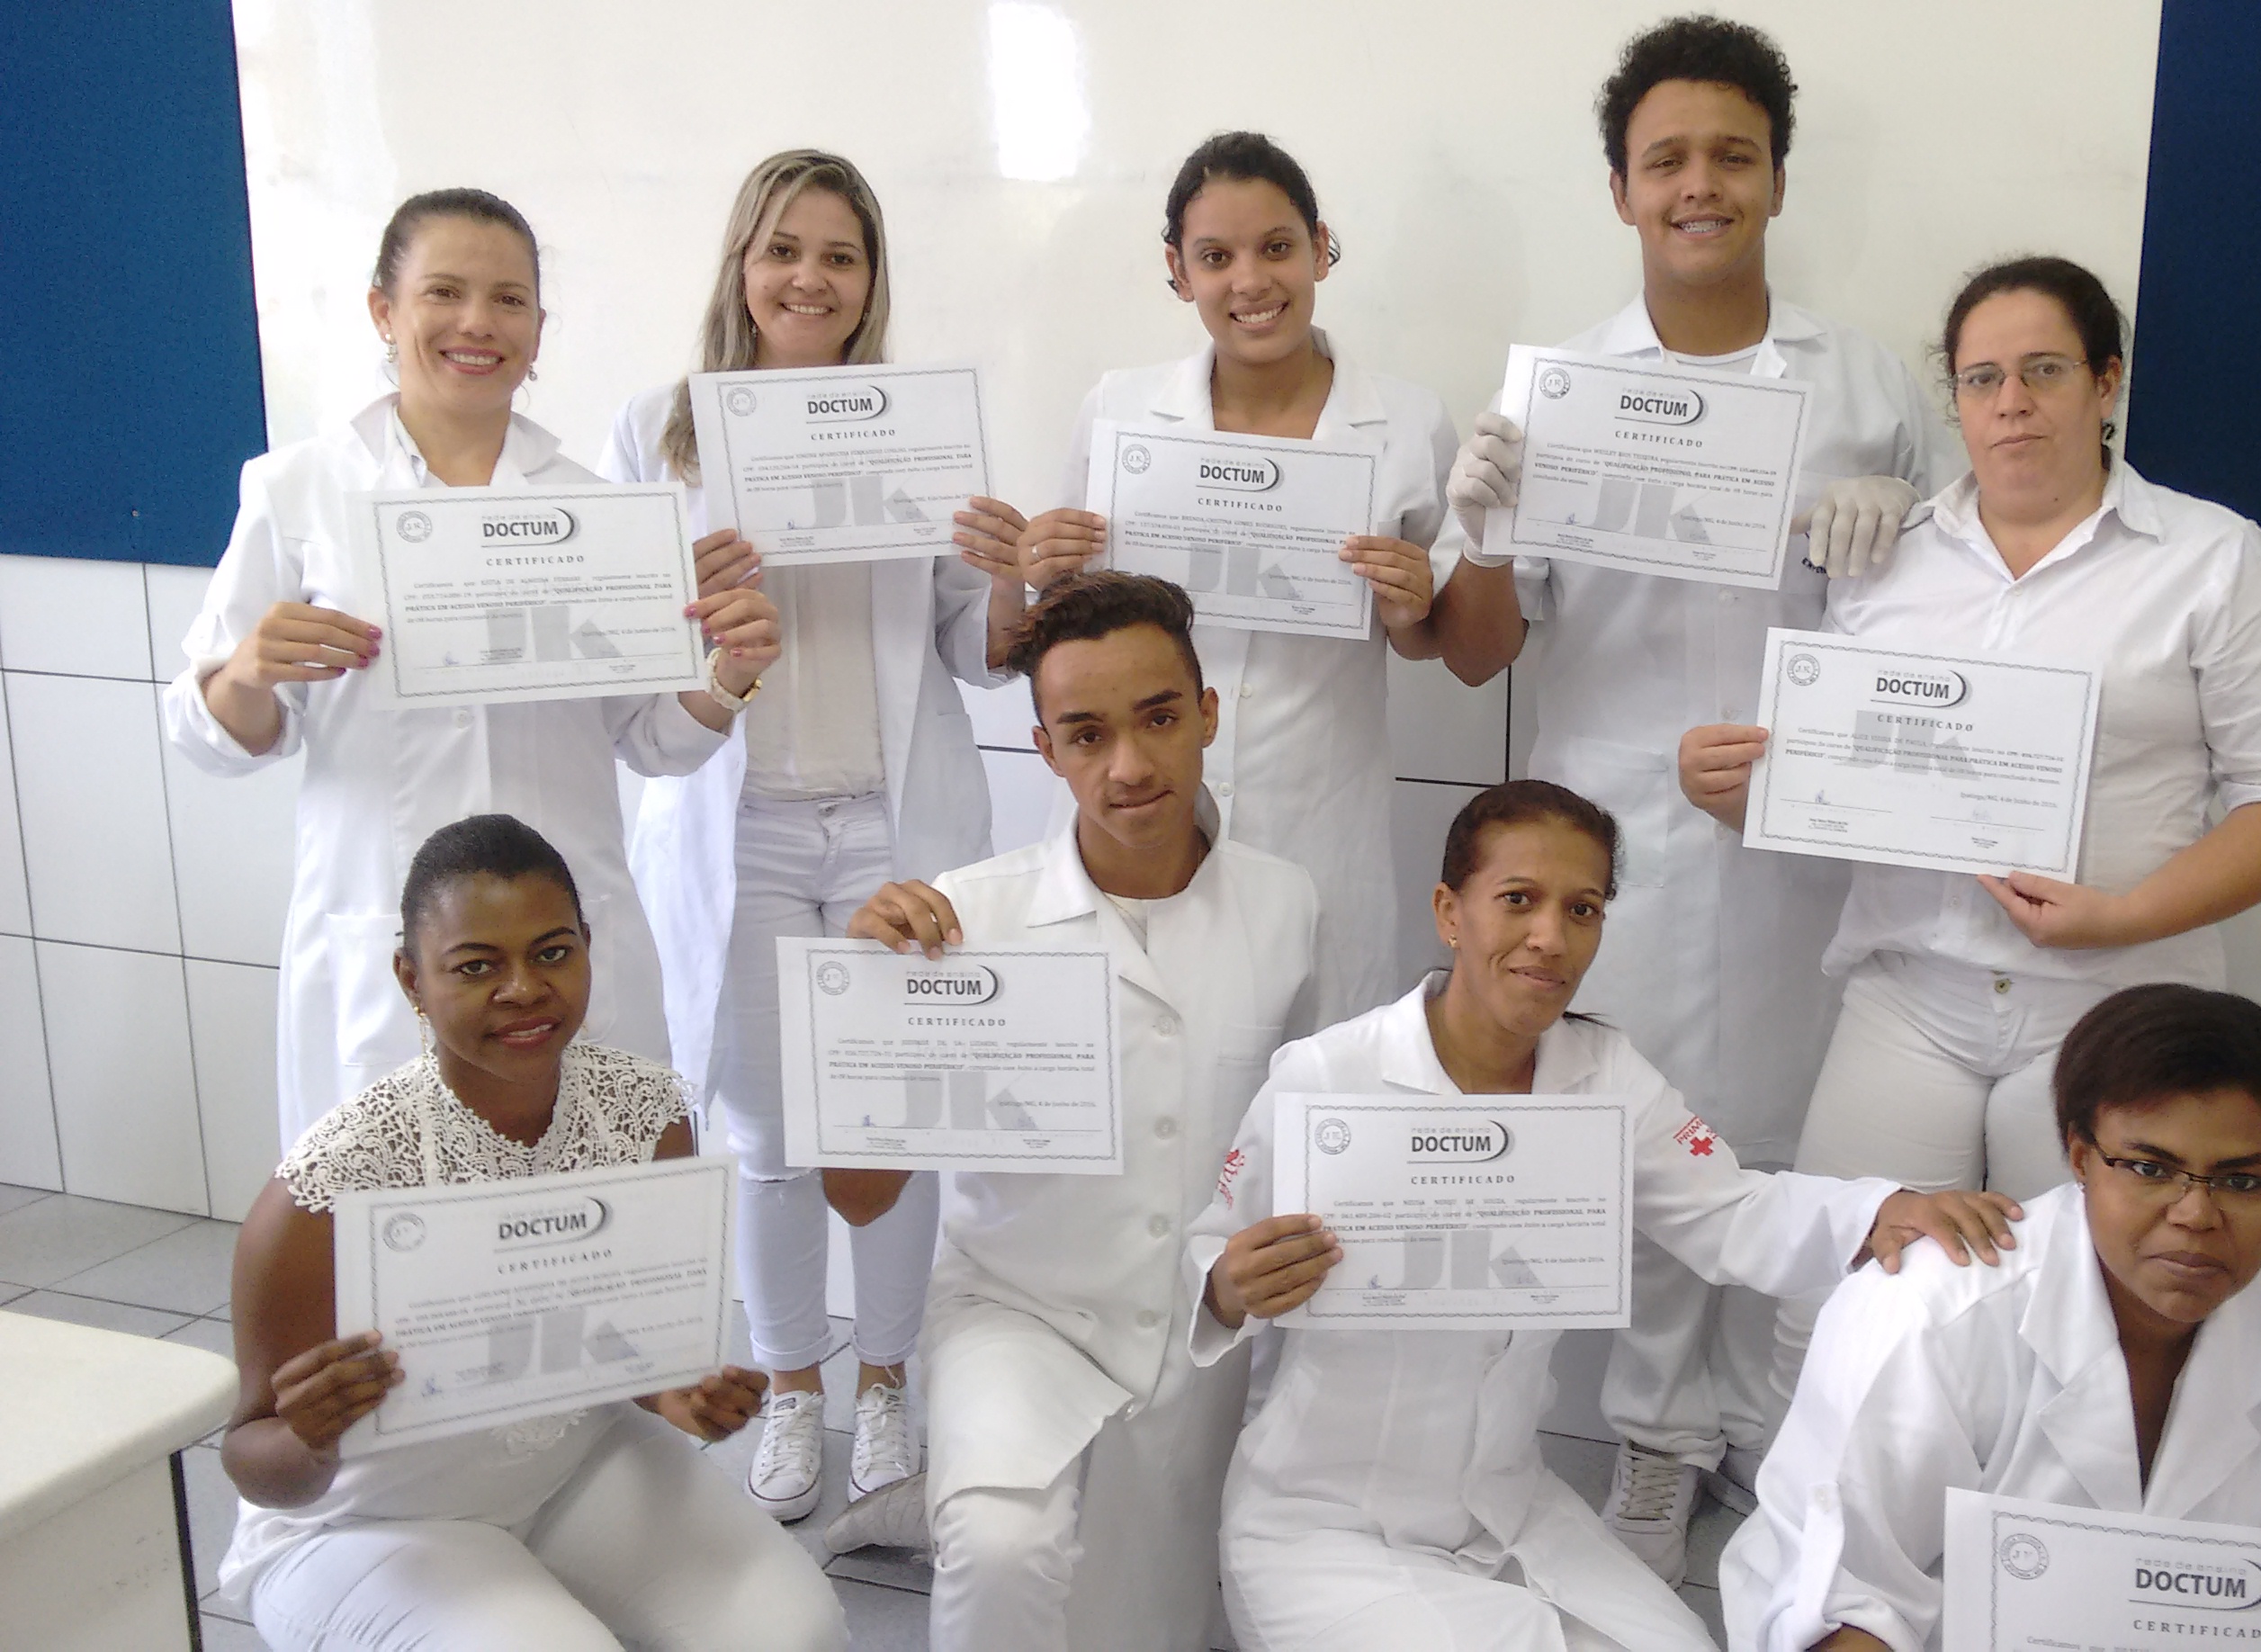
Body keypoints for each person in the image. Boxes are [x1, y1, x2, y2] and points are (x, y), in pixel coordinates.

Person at [1429, 14, 1967, 1570]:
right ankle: (1656, 1439)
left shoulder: (1864, 386)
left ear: (1776, 178)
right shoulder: (1556, 388)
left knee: (1791, 1141)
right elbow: (1477, 653)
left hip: (1806, 837)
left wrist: (1896, 527)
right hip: (1613, 838)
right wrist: (1478, 522)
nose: (1698, 184)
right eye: (1664, 158)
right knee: (1647, 1144)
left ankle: (1778, 1441)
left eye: (1730, 154)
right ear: (1618, 190)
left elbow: (1942, 637)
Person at [1674, 255, 2261, 1409]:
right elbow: (1840, 779)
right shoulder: (1888, 560)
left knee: (2086, 1323)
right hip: (1911, 996)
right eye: (1982, 379)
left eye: (2043, 371)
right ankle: (1824, 1575)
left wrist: (2123, 915)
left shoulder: (2211, 559)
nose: (2012, 402)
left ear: (2106, 382)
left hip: (2118, 1003)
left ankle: (2037, 1573)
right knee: (1842, 1308)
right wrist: (1738, 791)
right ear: (1957, 401)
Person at [1187, 779, 2020, 1652]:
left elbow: (1732, 1213)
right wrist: (1228, 1286)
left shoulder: (1604, 1076)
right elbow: (1209, 1257)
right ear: (1449, 911)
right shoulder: (1324, 1081)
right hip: (1325, 1529)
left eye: (1581, 909)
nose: (1550, 937)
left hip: (1510, 1507)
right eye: (1518, 900)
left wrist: (1879, 1210)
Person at [162, 188, 781, 1146]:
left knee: (594, 1233)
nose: (477, 324)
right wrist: (245, 674)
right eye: (443, 293)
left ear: (538, 329)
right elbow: (214, 739)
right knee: (394, 1245)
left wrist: (726, 675)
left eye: (509, 300)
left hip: (569, 938)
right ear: (385, 310)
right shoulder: (301, 491)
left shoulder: (592, 511)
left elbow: (649, 741)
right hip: (388, 940)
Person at [604, 148, 1029, 1522]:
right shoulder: (655, 433)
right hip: (745, 826)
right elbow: (619, 640)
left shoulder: (920, 428)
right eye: (784, 248)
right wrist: (684, 587)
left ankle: (890, 1380)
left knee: (892, 1119)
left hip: (892, 823)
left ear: (869, 284)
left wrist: (1012, 571)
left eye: (839, 256)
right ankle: (795, 1388)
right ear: (743, 266)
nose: (810, 277)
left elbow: (978, 652)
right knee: (772, 1130)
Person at [820, 570, 1318, 1652]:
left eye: (1159, 719)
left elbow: (1312, 1139)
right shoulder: (961, 920)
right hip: (1018, 1310)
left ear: (1208, 714)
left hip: (1196, 1325)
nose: (1130, 767)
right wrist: (865, 1021)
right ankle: (961, 1484)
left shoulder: (1288, 906)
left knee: (1148, 1626)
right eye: (1087, 735)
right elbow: (859, 1201)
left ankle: (942, 1494)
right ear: (1045, 751)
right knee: (1004, 1553)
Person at [217, 813, 848, 1651]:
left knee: (795, 1637)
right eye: (476, 967)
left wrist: (671, 1392)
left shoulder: (647, 1114)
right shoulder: (327, 1187)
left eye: (552, 952)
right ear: (411, 979)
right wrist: (308, 1434)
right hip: (367, 1522)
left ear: (588, 944)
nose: (522, 989)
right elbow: (252, 1457)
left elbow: (610, 1342)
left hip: (574, 1466)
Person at [1721, 984, 2261, 1652]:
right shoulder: (1929, 1314)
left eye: (2242, 1181)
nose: (2195, 1215)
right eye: (2151, 1168)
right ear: (2079, 1156)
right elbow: (1846, 1601)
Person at [1013, 130, 1462, 1028]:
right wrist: (1040, 567)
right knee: (1158, 1088)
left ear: (1320, 248)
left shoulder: (1407, 423)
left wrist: (1415, 606)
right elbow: (1065, 620)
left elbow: (1436, 640)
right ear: (1178, 273)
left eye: (1278, 247)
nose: (1251, 282)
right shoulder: (1120, 411)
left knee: (1319, 1090)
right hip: (1146, 827)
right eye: (1216, 258)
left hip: (1323, 824)